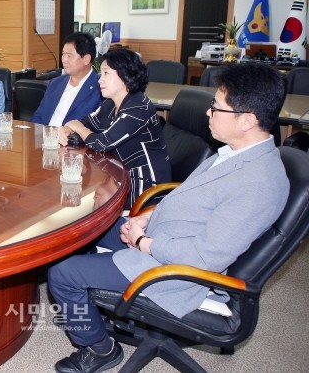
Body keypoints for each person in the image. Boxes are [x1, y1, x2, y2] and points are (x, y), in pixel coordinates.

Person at [47, 62, 290, 373]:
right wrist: (146, 218)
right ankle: (85, 306)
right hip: (161, 235)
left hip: (176, 270)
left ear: (247, 120)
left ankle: (99, 349)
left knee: (62, 273)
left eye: (216, 107)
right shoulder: (234, 152)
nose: (208, 112)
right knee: (82, 229)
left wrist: (144, 242)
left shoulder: (259, 182)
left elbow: (206, 257)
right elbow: (183, 196)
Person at [58, 49, 171, 208]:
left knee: (92, 210)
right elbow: (87, 122)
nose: (100, 80)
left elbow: (102, 143)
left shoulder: (139, 108)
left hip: (144, 188)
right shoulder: (111, 103)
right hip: (119, 175)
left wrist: (75, 125)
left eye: (106, 73)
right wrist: (68, 128)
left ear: (126, 76)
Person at [31, 32, 102, 126]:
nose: (64, 60)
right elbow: (38, 117)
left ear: (86, 59)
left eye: (69, 56)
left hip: (71, 135)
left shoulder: (100, 89)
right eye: (63, 54)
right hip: (45, 134)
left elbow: (95, 127)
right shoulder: (55, 83)